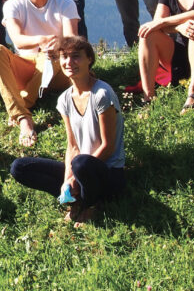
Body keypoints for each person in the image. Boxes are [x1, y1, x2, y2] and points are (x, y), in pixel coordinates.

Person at [9, 37, 125, 226]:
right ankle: (75, 199)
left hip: (108, 172)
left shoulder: (102, 94)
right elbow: (72, 145)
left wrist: (76, 177)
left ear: (89, 59)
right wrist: (67, 180)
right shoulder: (64, 99)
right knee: (19, 167)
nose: (69, 62)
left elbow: (108, 146)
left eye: (76, 57)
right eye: (64, 57)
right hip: (80, 168)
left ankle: (91, 204)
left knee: (81, 163)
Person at [0, 0, 78, 147]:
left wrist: (55, 45)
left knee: (54, 54)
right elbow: (17, 39)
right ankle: (24, 119)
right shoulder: (13, 5)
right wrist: (43, 40)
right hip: (27, 66)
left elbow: (72, 40)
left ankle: (23, 104)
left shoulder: (65, 3)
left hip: (58, 67)